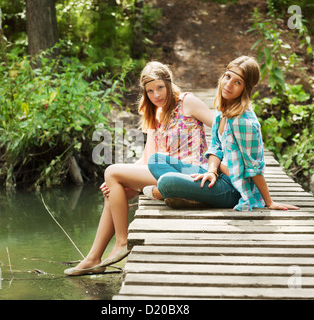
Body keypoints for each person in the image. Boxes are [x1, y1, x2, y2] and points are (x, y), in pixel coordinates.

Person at [64, 61, 214, 276]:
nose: (156, 95)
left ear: (169, 84)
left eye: (160, 87)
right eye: (150, 90)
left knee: (112, 172)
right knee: (114, 190)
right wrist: (121, 179)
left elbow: (221, 128)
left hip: (187, 172)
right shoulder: (154, 113)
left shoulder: (187, 102)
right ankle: (93, 257)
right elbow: (147, 157)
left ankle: (122, 242)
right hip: (160, 171)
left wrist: (215, 164)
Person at [146, 56, 300, 211]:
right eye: (228, 77)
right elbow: (215, 147)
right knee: (155, 160)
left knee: (166, 182)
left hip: (232, 188)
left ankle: (184, 192)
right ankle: (192, 194)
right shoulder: (223, 112)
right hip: (214, 174)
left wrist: (269, 202)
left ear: (245, 89)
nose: (229, 84)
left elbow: (254, 168)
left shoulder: (243, 122)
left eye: (238, 82)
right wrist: (211, 171)